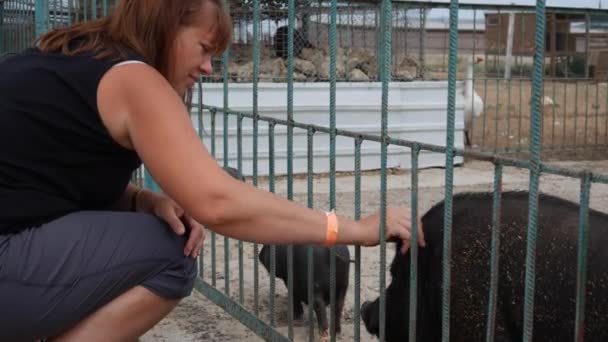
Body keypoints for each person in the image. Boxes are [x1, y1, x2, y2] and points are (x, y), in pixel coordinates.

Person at [0, 0, 425, 341]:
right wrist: (353, 229)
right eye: (204, 49)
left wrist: (141, 198)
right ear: (166, 24)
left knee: (159, 228)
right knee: (171, 251)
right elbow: (220, 203)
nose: (208, 68)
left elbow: (40, 172)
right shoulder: (134, 79)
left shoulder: (71, 56)